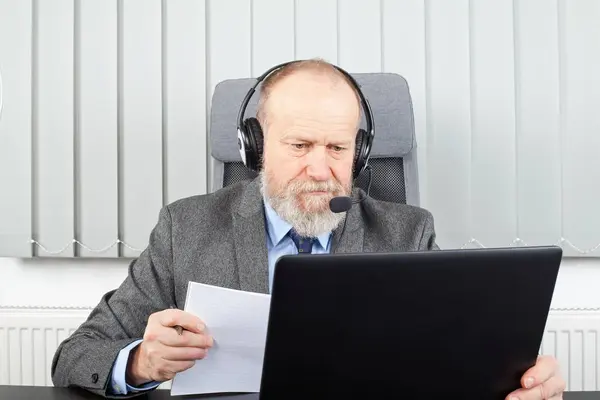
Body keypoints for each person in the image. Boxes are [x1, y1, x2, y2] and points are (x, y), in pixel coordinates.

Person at [51, 59, 565, 399]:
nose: (320, 170)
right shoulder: (186, 227)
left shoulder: (407, 233)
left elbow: (458, 364)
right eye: (299, 146)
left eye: (338, 149)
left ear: (360, 152)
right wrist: (141, 362)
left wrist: (523, 381)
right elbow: (76, 355)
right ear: (256, 148)